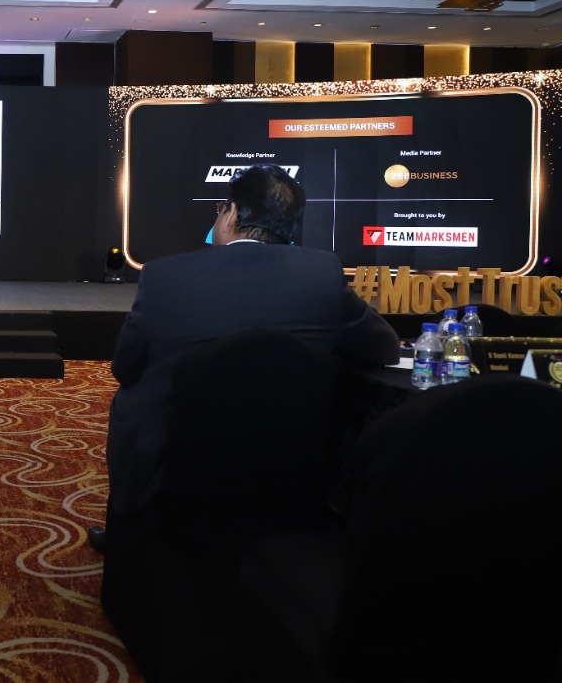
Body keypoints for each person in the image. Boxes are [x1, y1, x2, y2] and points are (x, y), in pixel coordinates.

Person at [91, 164, 398, 553]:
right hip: (288, 459)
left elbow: (125, 368)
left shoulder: (163, 276)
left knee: (133, 396)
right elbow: (383, 348)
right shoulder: (322, 273)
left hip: (173, 459)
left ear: (231, 213)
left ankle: (128, 525)